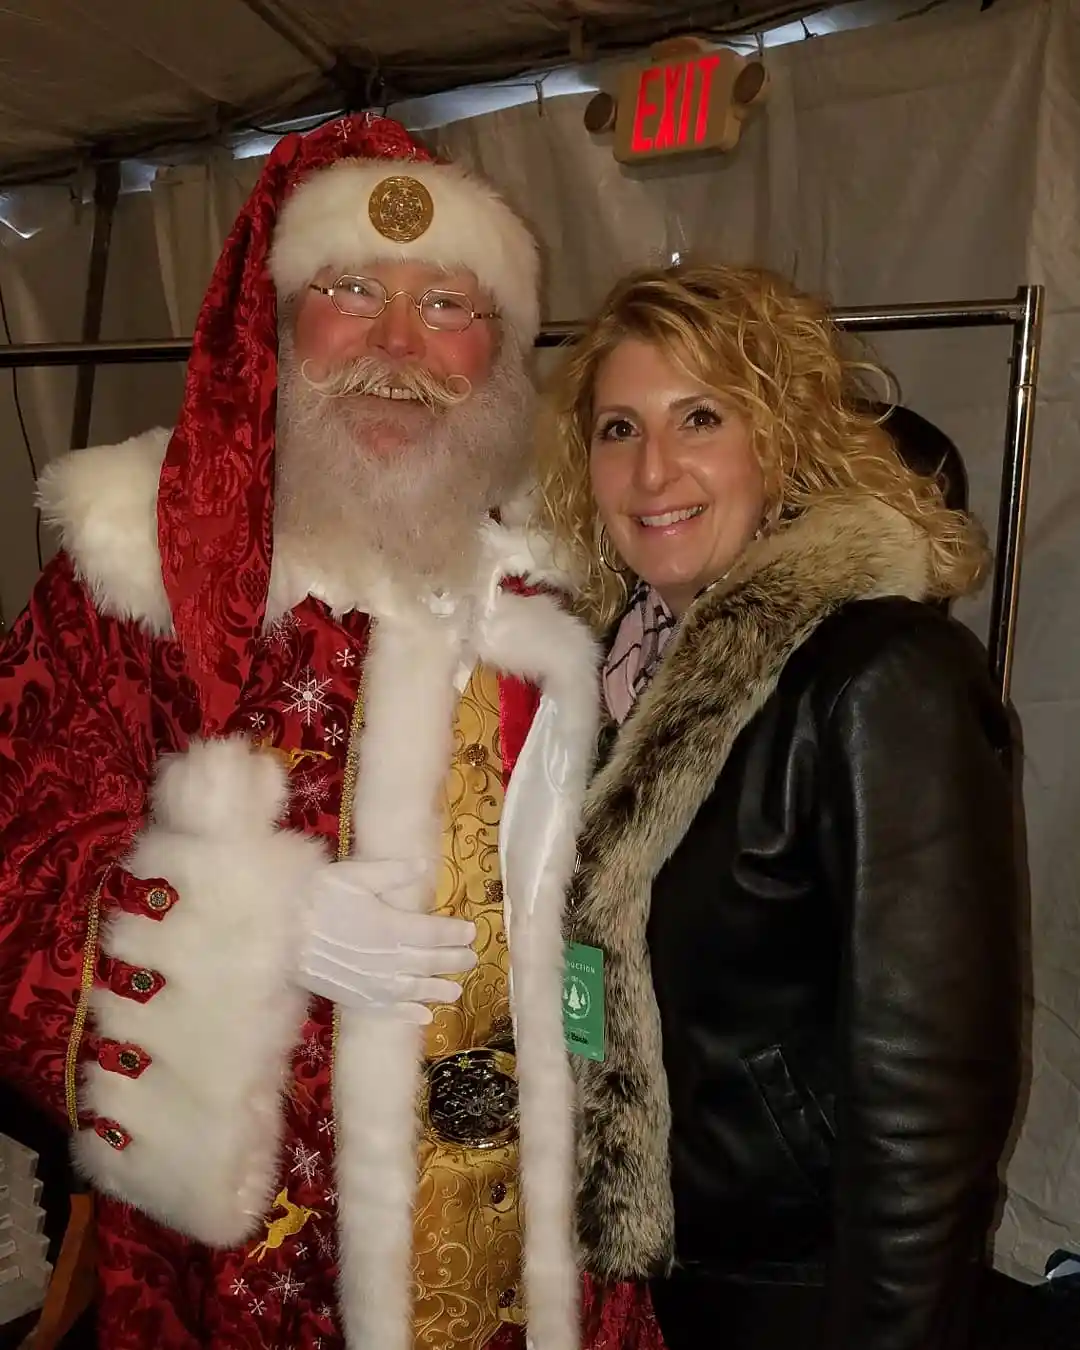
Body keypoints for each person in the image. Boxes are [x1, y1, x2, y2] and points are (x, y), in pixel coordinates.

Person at [0, 114, 600, 1350]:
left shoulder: (564, 586)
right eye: (350, 292)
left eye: (447, 304)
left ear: (499, 349)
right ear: (275, 322)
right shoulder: (137, 578)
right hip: (240, 1268)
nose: (397, 346)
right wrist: (236, 921)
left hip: (530, 1241)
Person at [534, 262, 1023, 1350]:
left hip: (802, 1291)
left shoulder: (880, 677)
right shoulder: (601, 675)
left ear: (782, 439)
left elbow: (932, 1101)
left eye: (701, 418)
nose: (653, 469)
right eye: (619, 428)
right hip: (642, 1275)